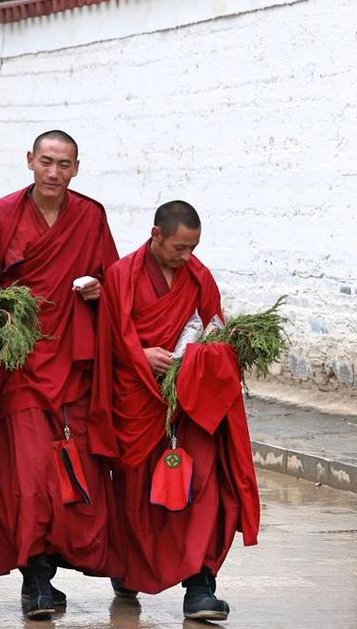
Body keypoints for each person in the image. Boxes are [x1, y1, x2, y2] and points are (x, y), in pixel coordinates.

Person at [0, 129, 123, 619]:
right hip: (21, 366)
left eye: (64, 164)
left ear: (76, 168)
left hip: (75, 363)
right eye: (46, 162)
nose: (54, 173)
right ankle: (34, 577)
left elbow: (114, 280)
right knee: (27, 475)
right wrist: (2, 321)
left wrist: (100, 290)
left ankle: (51, 566)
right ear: (30, 161)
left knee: (73, 475)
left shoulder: (91, 215)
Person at [90, 201, 260, 621]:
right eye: (179, 248)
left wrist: (202, 360)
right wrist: (140, 355)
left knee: (201, 487)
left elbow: (214, 332)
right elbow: (108, 339)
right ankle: (130, 566)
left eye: (193, 248)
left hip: (191, 403)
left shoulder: (200, 277)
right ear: (156, 235)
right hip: (136, 400)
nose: (187, 257)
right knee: (137, 495)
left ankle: (200, 584)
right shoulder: (121, 276)